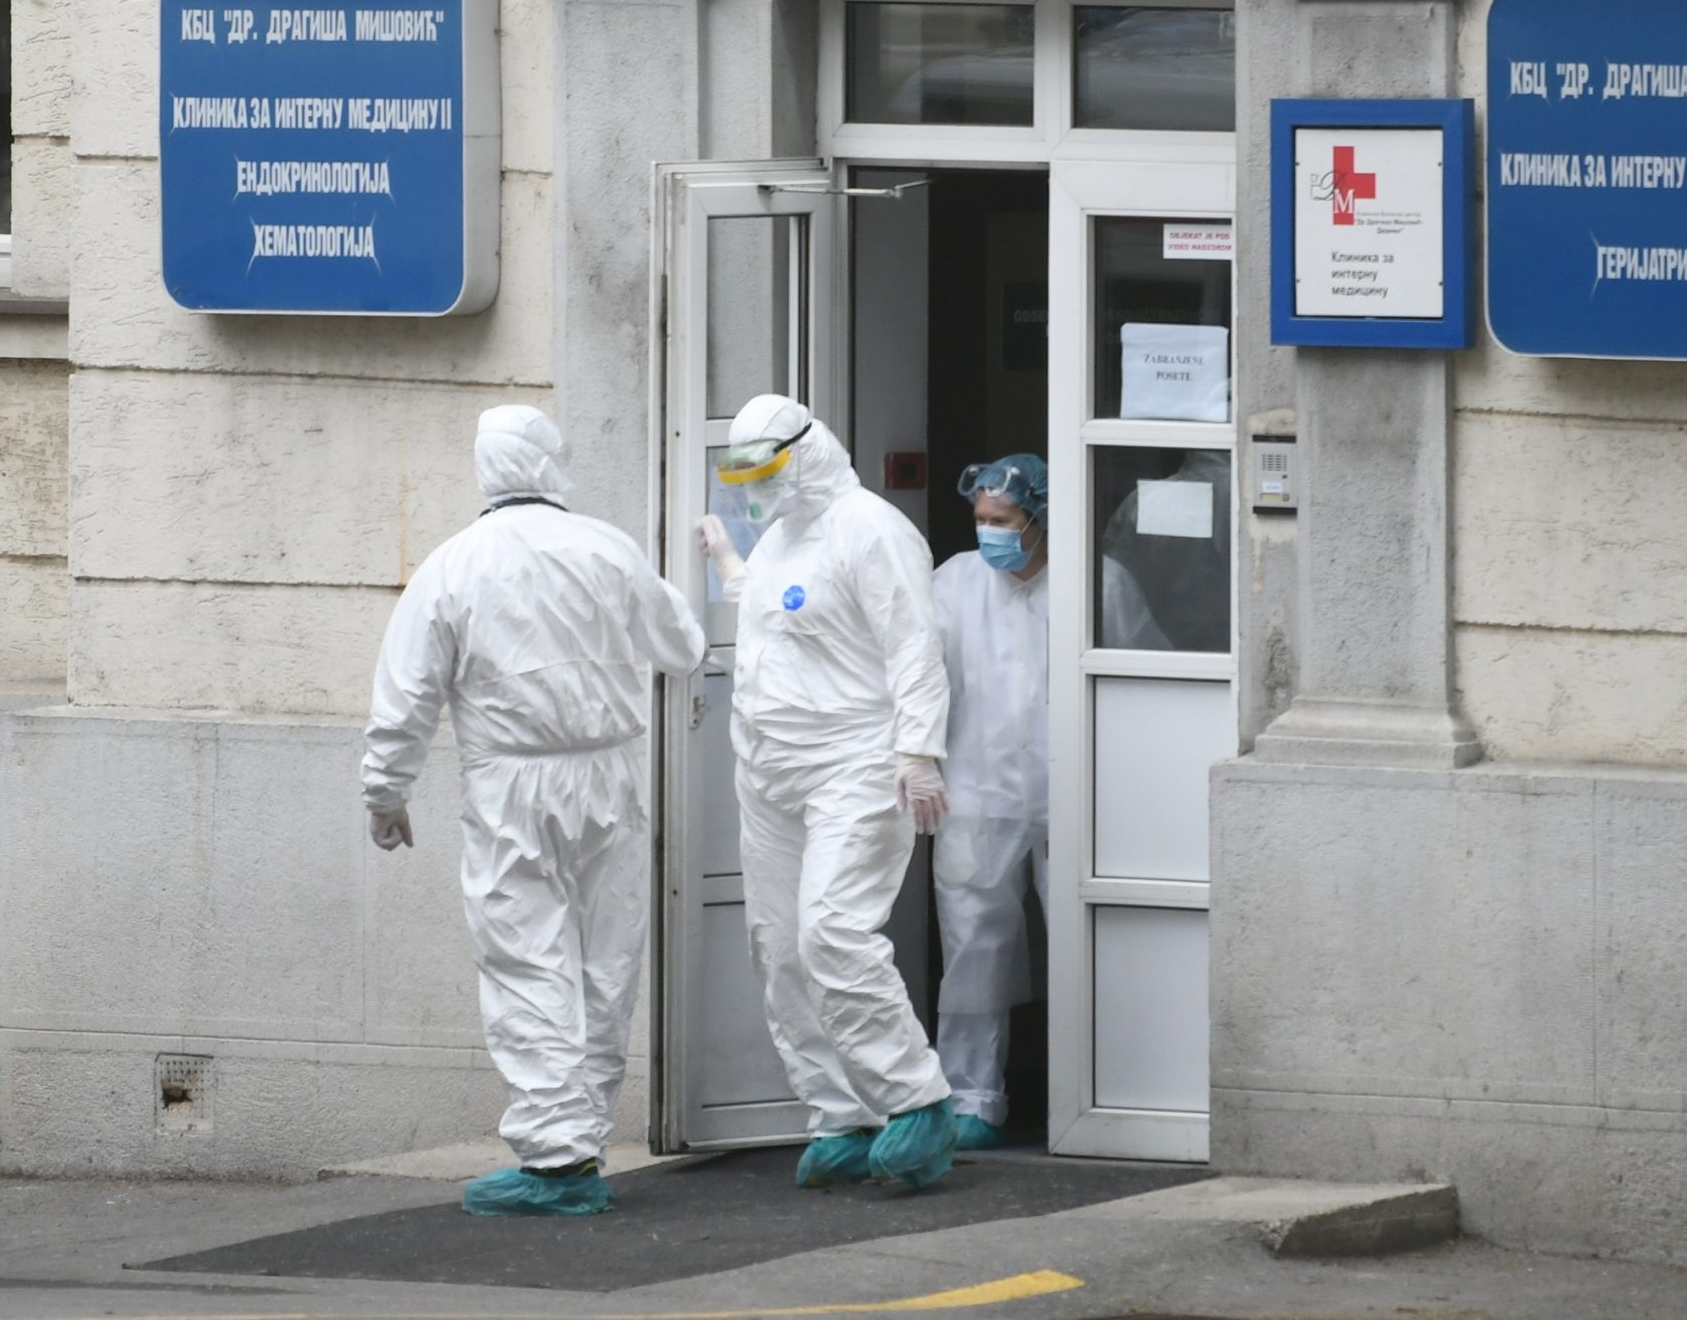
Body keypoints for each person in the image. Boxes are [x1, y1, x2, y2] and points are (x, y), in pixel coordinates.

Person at [365, 405, 707, 1218]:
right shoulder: (607, 547)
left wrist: (386, 793)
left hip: (513, 789)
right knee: (603, 963)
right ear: (553, 464)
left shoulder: (453, 567)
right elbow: (683, 646)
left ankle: (558, 1159)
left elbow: (405, 694)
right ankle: (578, 1137)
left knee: (528, 964)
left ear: (487, 469)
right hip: (612, 781)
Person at [695, 395, 958, 1193]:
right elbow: (788, 621)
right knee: (778, 946)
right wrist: (731, 567)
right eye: (738, 475)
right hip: (770, 771)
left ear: (803, 454)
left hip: (853, 764)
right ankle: (838, 1110)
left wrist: (919, 748)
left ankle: (916, 1098)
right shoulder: (778, 538)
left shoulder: (869, 527)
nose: (751, 490)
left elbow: (913, 644)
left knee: (832, 931)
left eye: (764, 471)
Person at [932, 454, 1166, 1150]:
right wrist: (915, 758)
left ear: (1039, 520)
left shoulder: (1097, 581)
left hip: (1073, 795)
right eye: (980, 520)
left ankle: (1103, 1091)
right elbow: (917, 677)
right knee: (973, 948)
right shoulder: (954, 583)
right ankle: (969, 1095)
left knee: (1085, 943)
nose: (989, 534)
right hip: (977, 794)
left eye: (1002, 521)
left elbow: (1140, 679)